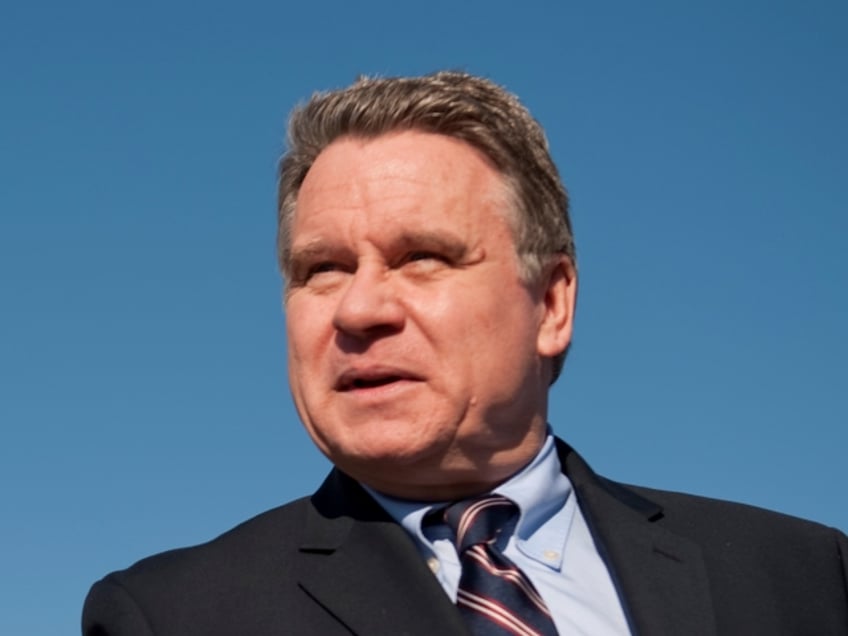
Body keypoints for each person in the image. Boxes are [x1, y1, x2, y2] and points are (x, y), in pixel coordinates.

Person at [82, 71, 848, 635]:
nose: (359, 308)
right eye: (323, 269)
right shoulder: (172, 616)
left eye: (423, 257)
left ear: (551, 303)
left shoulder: (801, 577)